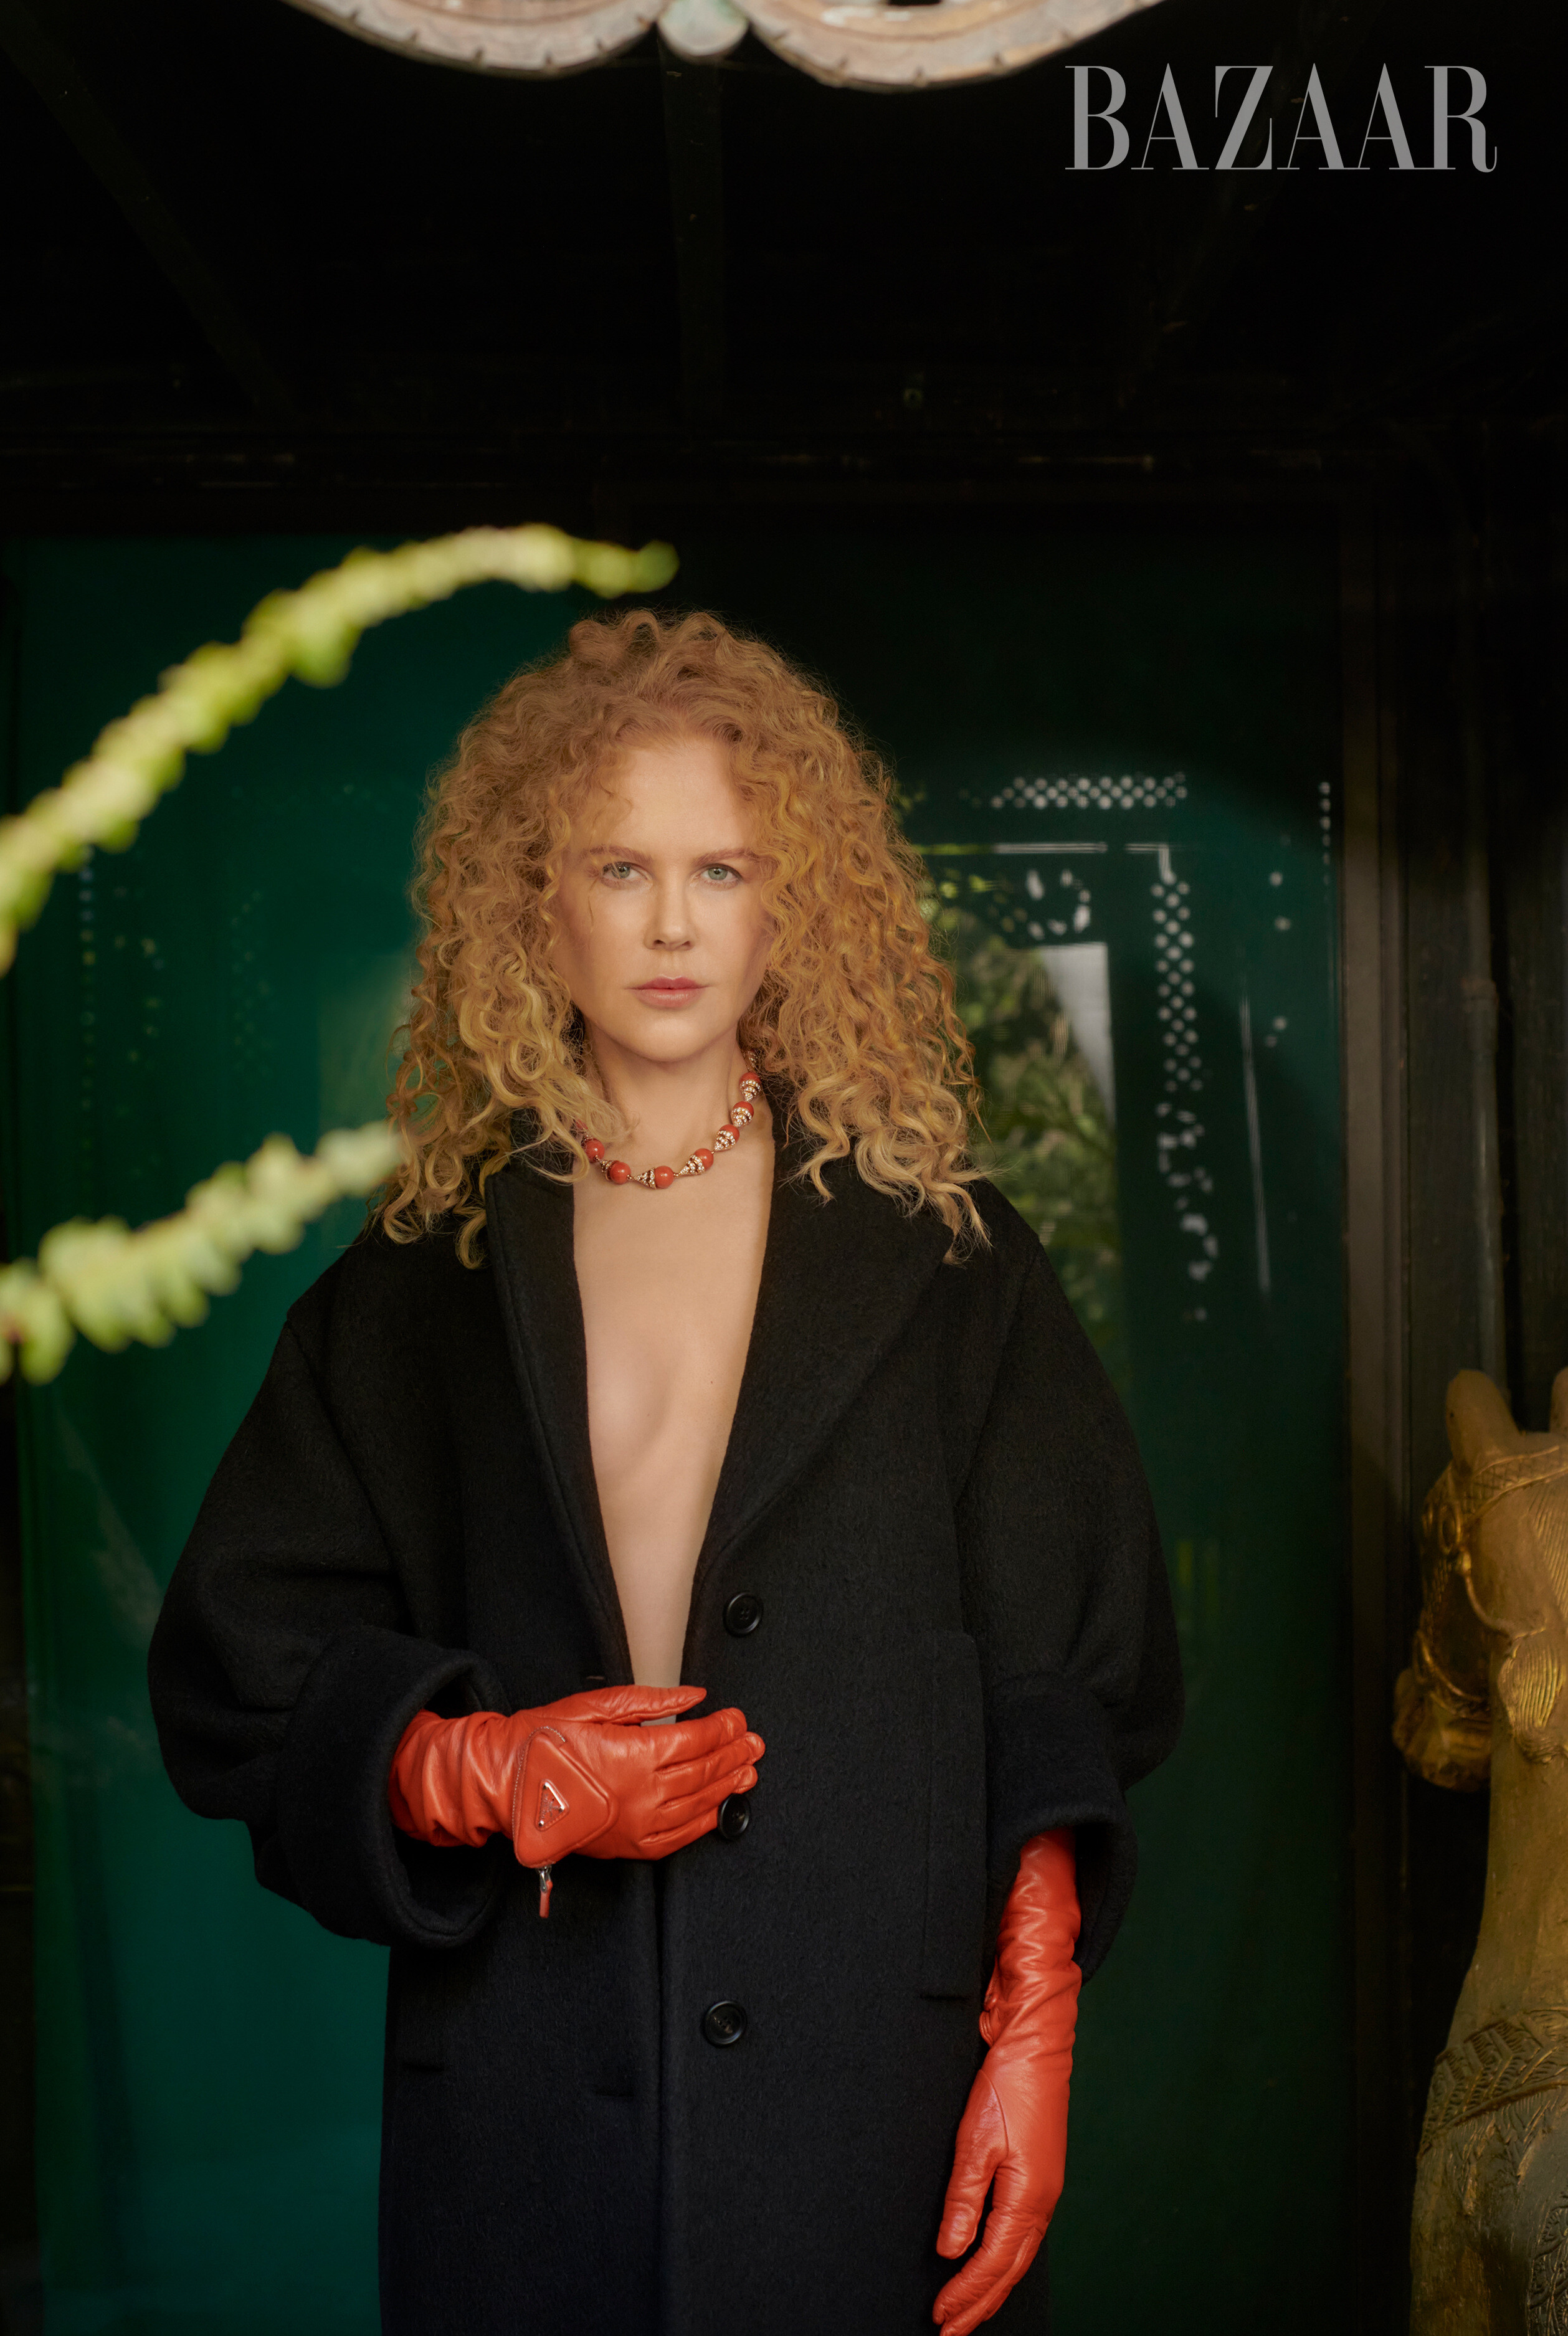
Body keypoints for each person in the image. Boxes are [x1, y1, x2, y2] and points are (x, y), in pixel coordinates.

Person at [148, 609, 1182, 2336]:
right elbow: (234, 1674)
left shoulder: (950, 1261)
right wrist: (479, 1770)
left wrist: (1037, 2018)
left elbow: (1061, 1676)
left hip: (879, 2116)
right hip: (524, 2127)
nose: (675, 924)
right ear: (530, 902)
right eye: (619, 868)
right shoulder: (420, 1285)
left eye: (724, 870)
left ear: (793, 907)